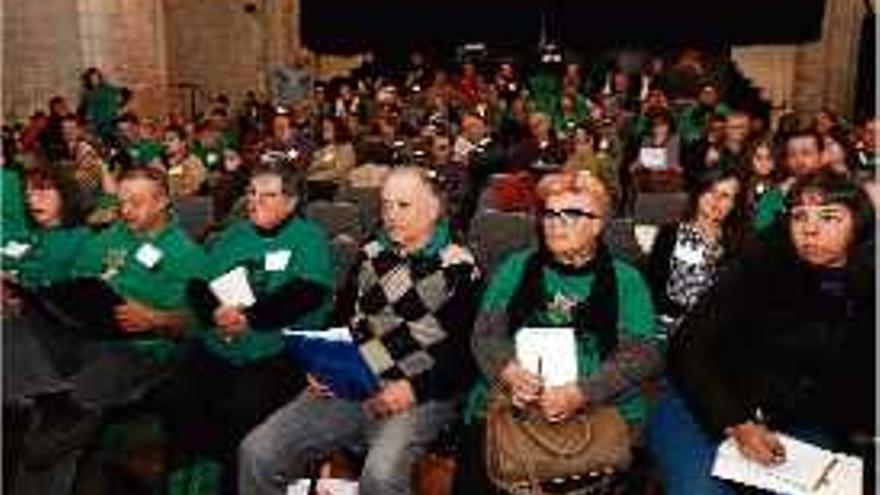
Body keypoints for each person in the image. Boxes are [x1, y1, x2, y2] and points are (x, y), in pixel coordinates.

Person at [238, 167, 482, 495]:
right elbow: (341, 320)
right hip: (352, 379)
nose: (391, 215)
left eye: (403, 206)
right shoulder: (371, 254)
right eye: (385, 205)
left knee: (380, 477)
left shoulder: (458, 267)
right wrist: (322, 365)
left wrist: (412, 389)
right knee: (257, 452)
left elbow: (465, 355)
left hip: (419, 391)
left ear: (433, 209)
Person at [648, 170, 875, 495]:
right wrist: (737, 422)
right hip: (702, 401)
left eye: (829, 217)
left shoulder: (867, 285)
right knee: (701, 491)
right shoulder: (759, 265)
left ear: (858, 225)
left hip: (797, 421)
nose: (809, 228)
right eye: (799, 216)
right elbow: (687, 346)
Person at [457, 170, 662, 493]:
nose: (554, 222)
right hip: (515, 405)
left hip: (598, 407)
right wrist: (508, 371)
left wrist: (580, 392)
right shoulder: (517, 266)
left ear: (597, 224)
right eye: (550, 213)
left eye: (570, 214)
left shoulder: (626, 280)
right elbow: (484, 335)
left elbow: (642, 355)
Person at [150, 165, 334, 489]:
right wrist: (215, 312)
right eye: (251, 193)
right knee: (172, 396)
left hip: (276, 351)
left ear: (291, 203)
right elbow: (198, 285)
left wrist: (248, 317)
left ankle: (234, 476)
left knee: (240, 407)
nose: (255, 201)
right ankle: (214, 460)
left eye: (268, 195)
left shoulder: (309, 238)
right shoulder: (234, 233)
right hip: (219, 343)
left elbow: (306, 293)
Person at [644, 166, 746, 339]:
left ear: (734, 205)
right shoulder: (670, 234)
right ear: (699, 193)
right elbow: (654, 287)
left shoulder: (738, 244)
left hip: (715, 330)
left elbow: (736, 298)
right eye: (711, 191)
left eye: (725, 196)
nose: (716, 200)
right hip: (669, 323)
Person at [306, 116, 356, 201]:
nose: (324, 131)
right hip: (317, 186)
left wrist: (316, 176)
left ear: (337, 129)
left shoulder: (346, 148)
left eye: (327, 128)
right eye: (323, 128)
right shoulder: (322, 149)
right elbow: (312, 166)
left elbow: (339, 171)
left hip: (335, 187)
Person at [161, 125, 208, 199]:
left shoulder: (193, 163)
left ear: (183, 143)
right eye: (164, 140)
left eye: (171, 140)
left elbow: (186, 194)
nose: (165, 144)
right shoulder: (165, 162)